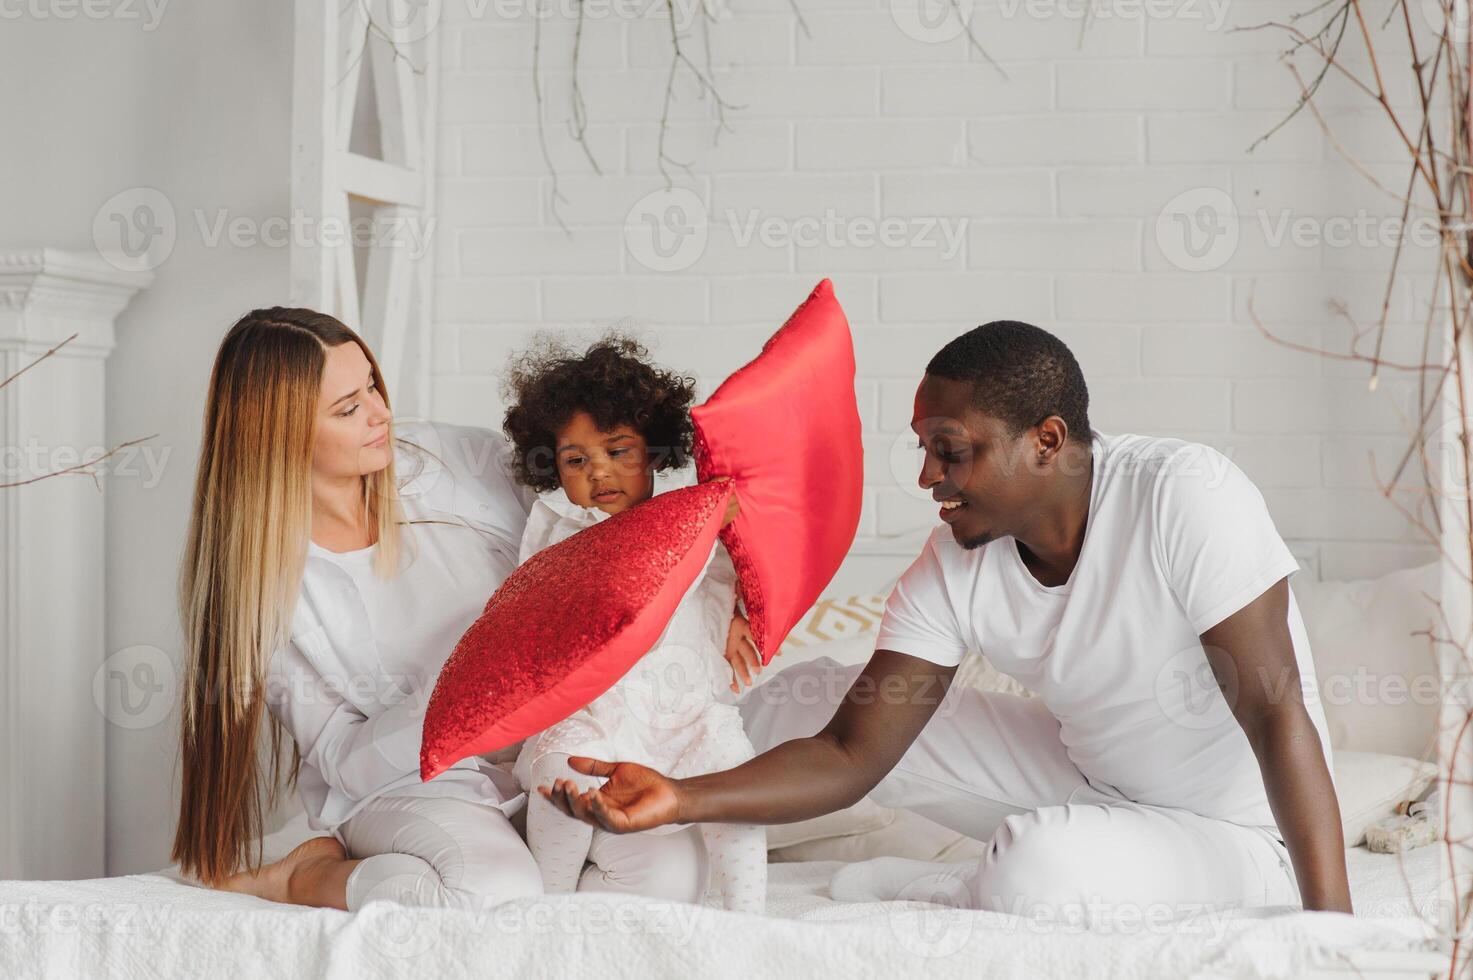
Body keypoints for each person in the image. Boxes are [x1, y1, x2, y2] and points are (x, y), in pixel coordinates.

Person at [540, 320, 1355, 919]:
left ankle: (953, 889)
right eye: (922, 448)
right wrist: (681, 795)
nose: (928, 475)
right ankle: (633, 830)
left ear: (1046, 440)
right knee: (809, 697)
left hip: (1239, 831)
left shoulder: (1183, 494)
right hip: (1089, 778)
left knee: (1040, 869)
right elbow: (847, 753)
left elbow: (1275, 711)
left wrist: (1330, 936)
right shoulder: (957, 559)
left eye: (952, 449)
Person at [172, 307, 550, 911]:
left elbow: (587, 536)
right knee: (493, 893)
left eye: (371, 383)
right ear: (280, 433)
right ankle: (303, 876)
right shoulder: (262, 589)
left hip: (546, 748)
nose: (381, 413)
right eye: (348, 408)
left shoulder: (458, 463)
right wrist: (465, 697)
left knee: (655, 873)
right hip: (411, 786)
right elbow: (346, 762)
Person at [500, 334, 766, 912]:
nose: (599, 473)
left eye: (619, 451)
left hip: (685, 713)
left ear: (654, 451)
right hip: (596, 713)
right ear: (551, 468)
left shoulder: (695, 516)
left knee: (739, 785)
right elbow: (591, 594)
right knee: (561, 782)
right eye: (576, 461)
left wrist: (739, 616)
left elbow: (722, 577)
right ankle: (546, 902)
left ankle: (751, 921)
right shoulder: (559, 529)